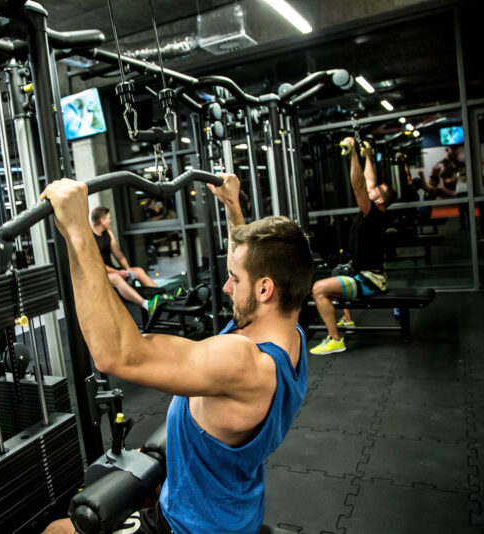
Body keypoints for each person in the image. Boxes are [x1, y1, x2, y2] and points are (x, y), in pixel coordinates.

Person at [42, 173, 312, 534]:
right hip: (234, 509)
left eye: (235, 279)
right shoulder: (290, 335)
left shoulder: (243, 362)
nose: (226, 286)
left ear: (265, 289)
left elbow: (115, 355)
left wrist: (78, 231)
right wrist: (232, 205)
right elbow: (253, 267)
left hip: (188, 526)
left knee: (55, 531)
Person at [310, 137, 395, 355]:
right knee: (339, 271)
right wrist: (367, 156)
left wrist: (354, 154)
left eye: (376, 190)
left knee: (318, 289)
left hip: (370, 281)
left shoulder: (373, 213)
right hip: (363, 273)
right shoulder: (376, 210)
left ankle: (335, 339)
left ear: (380, 200)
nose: (372, 189)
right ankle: (347, 319)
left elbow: (359, 186)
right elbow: (368, 181)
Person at [90, 206, 163, 314]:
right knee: (116, 277)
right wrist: (118, 272)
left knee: (138, 271)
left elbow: (118, 254)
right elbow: (98, 264)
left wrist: (128, 269)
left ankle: (162, 297)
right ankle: (146, 304)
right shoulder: (89, 237)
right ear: (102, 220)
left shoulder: (108, 233)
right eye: (108, 218)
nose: (110, 220)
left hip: (112, 270)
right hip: (99, 274)